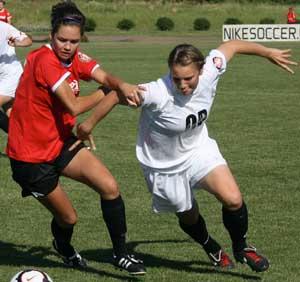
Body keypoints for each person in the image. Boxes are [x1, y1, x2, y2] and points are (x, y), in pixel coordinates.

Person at [76, 40, 297, 273]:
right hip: (163, 167)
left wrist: (267, 52)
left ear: (201, 70)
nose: (182, 84)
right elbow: (115, 95)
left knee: (233, 199)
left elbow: (231, 46)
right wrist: (88, 125)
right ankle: (210, 245)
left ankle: (242, 248)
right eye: (176, 78)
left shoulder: (211, 70)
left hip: (198, 151)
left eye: (188, 78)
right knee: (189, 217)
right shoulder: (157, 92)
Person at [6, 1, 145, 276]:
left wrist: (121, 84)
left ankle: (121, 254)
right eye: (62, 40)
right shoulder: (43, 60)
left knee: (109, 186)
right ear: (51, 35)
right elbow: (75, 106)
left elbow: (103, 75)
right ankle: (64, 247)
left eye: (74, 40)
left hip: (59, 143)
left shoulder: (74, 56)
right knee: (68, 218)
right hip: (30, 158)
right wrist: (109, 92)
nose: (68, 46)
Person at [0, 21, 32, 134]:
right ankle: (27, 141)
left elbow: (28, 40)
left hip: (11, 76)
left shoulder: (4, 27)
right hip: (2, 78)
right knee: (12, 116)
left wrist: (17, 43)